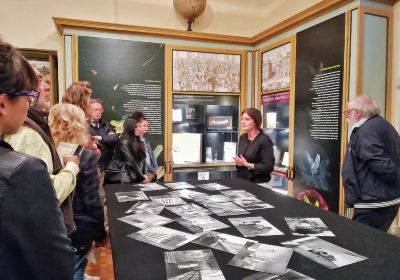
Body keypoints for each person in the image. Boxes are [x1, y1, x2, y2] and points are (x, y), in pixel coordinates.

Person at [0, 39, 74, 279]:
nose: (29, 105)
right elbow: (56, 264)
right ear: (3, 103)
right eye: (28, 96)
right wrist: (72, 168)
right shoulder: (22, 170)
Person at [5, 64, 79, 233]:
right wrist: (72, 167)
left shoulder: (31, 128)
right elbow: (46, 193)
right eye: (38, 80)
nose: (46, 86)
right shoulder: (26, 133)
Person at [49, 103, 106, 280]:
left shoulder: (46, 152)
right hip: (78, 227)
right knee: (76, 272)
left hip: (51, 227)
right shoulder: (83, 154)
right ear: (79, 124)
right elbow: (92, 199)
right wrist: (100, 233)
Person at [342, 95, 400, 231]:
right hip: (382, 199)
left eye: (347, 112)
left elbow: (380, 163)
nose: (346, 117)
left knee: (360, 245)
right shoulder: (382, 124)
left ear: (357, 113)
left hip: (374, 203)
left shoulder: (367, 130)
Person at [234, 108, 275, 183]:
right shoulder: (242, 137)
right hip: (242, 180)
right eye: (242, 119)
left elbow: (269, 167)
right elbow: (242, 160)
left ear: (256, 121)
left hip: (259, 183)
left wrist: (248, 165)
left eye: (247, 119)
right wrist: (239, 162)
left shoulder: (265, 140)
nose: (243, 122)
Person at [108, 117, 150, 183]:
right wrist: (142, 176)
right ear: (130, 128)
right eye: (136, 127)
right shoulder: (124, 142)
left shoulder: (138, 140)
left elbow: (143, 159)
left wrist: (144, 174)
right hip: (127, 178)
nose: (139, 129)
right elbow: (131, 162)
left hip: (137, 177)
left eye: (139, 126)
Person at [131, 111, 158, 182]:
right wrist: (151, 170)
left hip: (150, 174)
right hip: (141, 176)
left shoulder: (144, 140)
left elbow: (151, 156)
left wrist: (154, 169)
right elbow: (137, 161)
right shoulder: (132, 142)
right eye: (144, 125)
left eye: (147, 126)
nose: (147, 128)